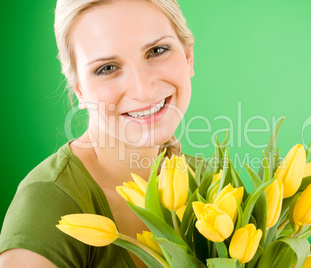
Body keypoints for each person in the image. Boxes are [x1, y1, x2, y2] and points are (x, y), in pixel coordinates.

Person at [0, 0, 194, 267]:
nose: (142, 89)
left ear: (188, 56)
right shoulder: (46, 207)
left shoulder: (210, 183)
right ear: (79, 89)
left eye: (157, 50)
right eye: (107, 68)